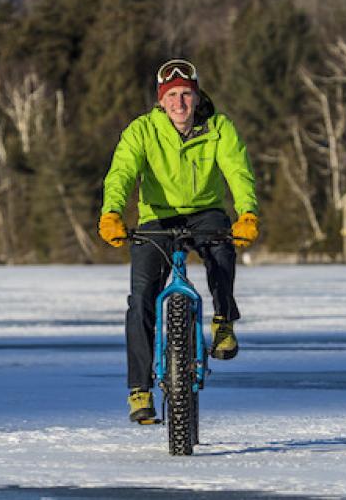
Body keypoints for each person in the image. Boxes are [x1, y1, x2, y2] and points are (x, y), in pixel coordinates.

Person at [97, 58, 260, 423]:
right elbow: (121, 172)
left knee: (221, 250)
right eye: (172, 96)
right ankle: (139, 391)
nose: (180, 104)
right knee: (141, 298)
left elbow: (238, 170)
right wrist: (112, 213)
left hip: (206, 211)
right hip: (156, 216)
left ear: (197, 95)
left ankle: (222, 321)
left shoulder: (218, 128)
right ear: (161, 100)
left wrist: (247, 212)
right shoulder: (142, 131)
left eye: (186, 94)